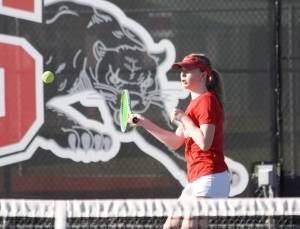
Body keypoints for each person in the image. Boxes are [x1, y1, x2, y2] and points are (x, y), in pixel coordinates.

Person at [129, 53, 230, 228]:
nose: (183, 74)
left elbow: (205, 143)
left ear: (204, 75)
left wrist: (184, 118)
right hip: (196, 178)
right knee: (171, 226)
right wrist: (144, 122)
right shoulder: (193, 105)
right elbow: (175, 141)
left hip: (211, 177)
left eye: (189, 70)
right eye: (182, 70)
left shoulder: (208, 101)